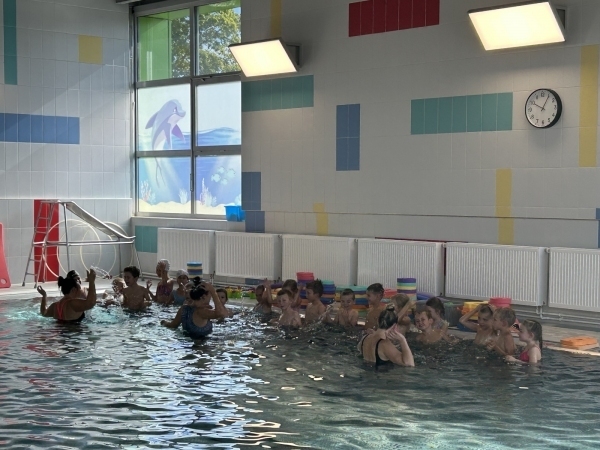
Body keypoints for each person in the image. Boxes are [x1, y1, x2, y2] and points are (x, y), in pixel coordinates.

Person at [160, 282, 227, 339]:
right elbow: (221, 313)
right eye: (210, 295)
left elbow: (173, 325)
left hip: (185, 342)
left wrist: (164, 322)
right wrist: (212, 291)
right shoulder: (201, 312)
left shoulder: (183, 309)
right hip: (200, 345)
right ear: (203, 297)